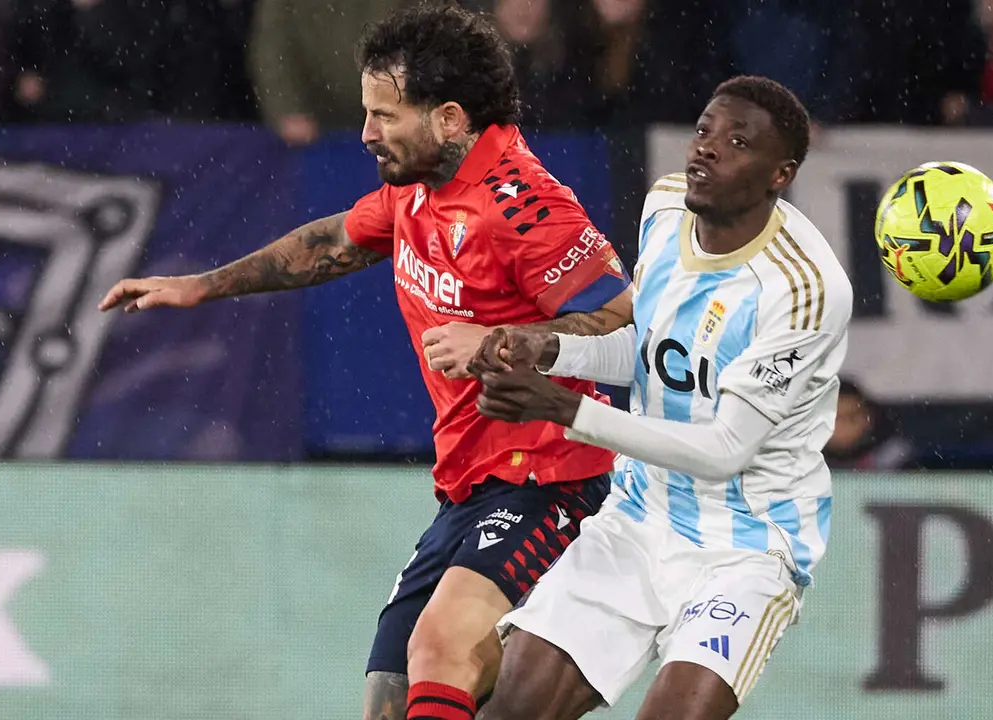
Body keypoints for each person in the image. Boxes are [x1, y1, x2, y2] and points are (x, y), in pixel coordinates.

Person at [97, 6, 633, 720]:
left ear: (448, 119)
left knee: (441, 647)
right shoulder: (418, 185)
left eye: (384, 115)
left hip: (552, 480)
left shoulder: (525, 205)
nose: (366, 133)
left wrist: (495, 342)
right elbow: (334, 242)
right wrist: (203, 285)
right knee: (389, 695)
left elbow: (623, 322)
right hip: (468, 484)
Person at [465, 76, 853, 719]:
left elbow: (725, 450)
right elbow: (649, 353)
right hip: (639, 518)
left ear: (780, 175)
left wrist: (562, 407)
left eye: (737, 142)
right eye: (703, 130)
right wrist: (549, 350)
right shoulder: (666, 207)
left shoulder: (804, 288)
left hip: (746, 548)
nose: (706, 148)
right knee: (511, 710)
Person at [824, 377, 916, 471]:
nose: (844, 426)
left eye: (852, 418)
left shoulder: (895, 458)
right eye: (836, 418)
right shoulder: (813, 461)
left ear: (868, 419)